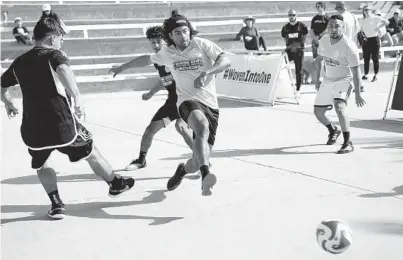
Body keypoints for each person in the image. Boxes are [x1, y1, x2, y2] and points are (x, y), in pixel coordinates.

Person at [0, 18, 135, 220]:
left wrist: (8, 103)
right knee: (91, 150)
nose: (61, 42)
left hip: (33, 126)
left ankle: (56, 204)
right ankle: (115, 184)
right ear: (53, 38)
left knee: (43, 162)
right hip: (61, 124)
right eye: (60, 38)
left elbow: (2, 86)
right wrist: (78, 97)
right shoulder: (53, 54)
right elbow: (63, 69)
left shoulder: (19, 62)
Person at [112, 14, 231, 195]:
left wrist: (208, 71)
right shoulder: (167, 53)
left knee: (195, 161)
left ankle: (183, 170)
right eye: (177, 32)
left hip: (211, 105)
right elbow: (145, 59)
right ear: (170, 36)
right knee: (201, 125)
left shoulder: (202, 44)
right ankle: (206, 174)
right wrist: (122, 67)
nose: (183, 36)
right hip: (186, 101)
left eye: (185, 31)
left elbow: (225, 60)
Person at [109, 25, 194, 171]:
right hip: (172, 101)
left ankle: (202, 159)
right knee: (150, 130)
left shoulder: (173, 55)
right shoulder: (158, 59)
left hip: (186, 98)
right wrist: (151, 93)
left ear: (166, 41)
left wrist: (122, 67)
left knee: (181, 127)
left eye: (158, 42)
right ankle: (141, 160)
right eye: (152, 42)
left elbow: (144, 61)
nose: (155, 45)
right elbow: (164, 79)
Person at [313, 15, 366, 154]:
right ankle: (333, 130)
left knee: (339, 107)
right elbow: (319, 60)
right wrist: (317, 79)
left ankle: (348, 142)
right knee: (318, 112)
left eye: (337, 26)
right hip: (327, 80)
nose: (333, 29)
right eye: (331, 26)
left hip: (344, 79)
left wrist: (358, 94)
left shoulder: (349, 46)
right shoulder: (323, 40)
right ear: (327, 27)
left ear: (343, 28)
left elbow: (356, 71)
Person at [281, 9, 309, 97]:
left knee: (298, 70)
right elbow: (284, 37)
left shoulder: (302, 26)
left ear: (296, 15)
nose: (291, 16)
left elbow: (304, 37)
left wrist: (298, 45)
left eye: (293, 15)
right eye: (290, 15)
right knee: (281, 66)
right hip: (289, 50)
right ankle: (283, 87)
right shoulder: (285, 27)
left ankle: (298, 89)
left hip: (299, 51)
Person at [360, 5, 389, 82]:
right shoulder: (362, 20)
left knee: (375, 58)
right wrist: (363, 36)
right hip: (366, 40)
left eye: (368, 9)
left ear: (371, 10)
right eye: (365, 10)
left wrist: (379, 27)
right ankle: (366, 74)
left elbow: (386, 22)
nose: (367, 11)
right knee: (366, 58)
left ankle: (376, 75)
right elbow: (361, 30)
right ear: (363, 11)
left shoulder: (375, 18)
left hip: (374, 39)